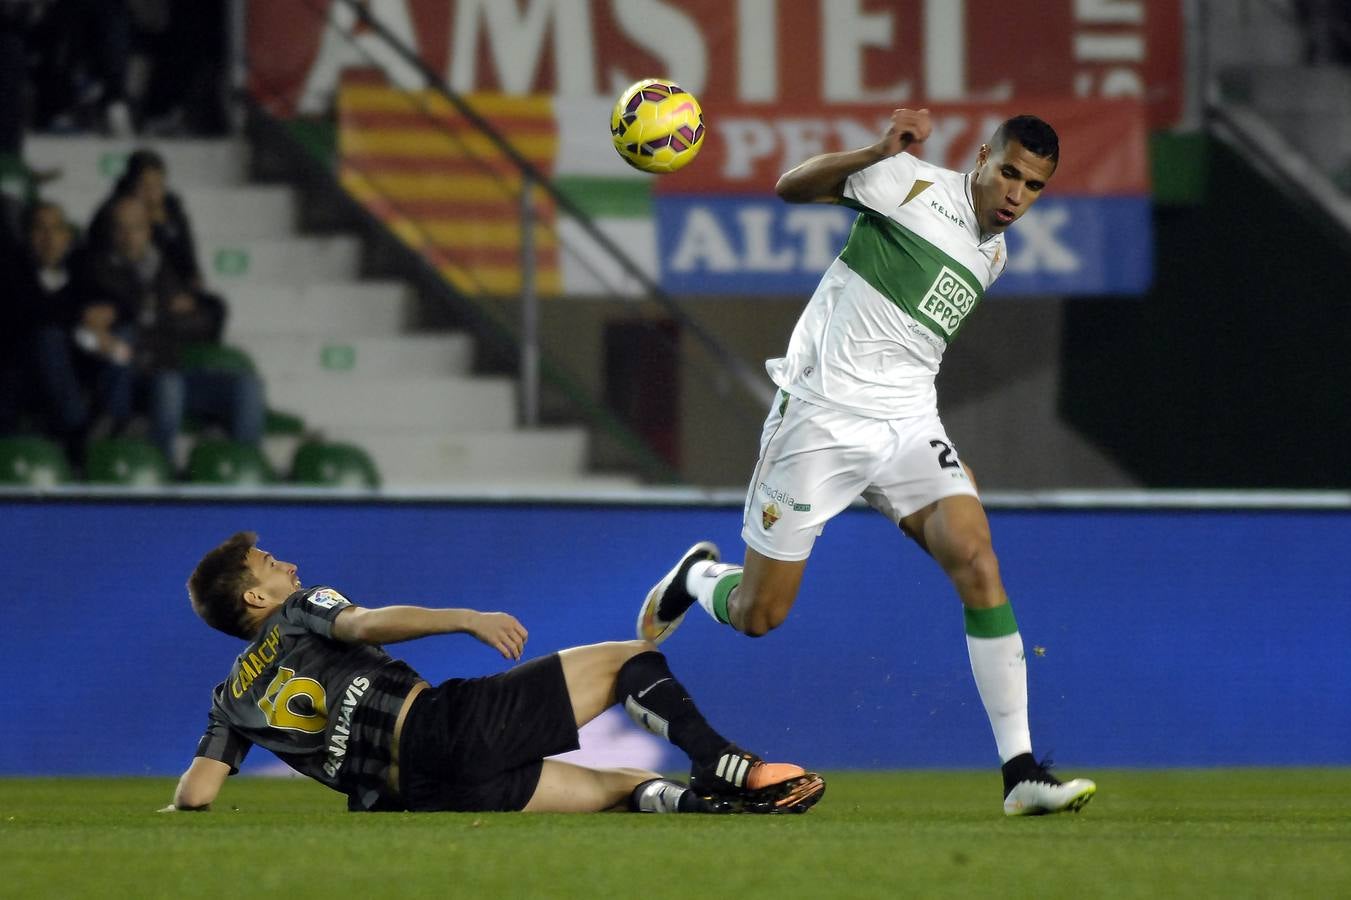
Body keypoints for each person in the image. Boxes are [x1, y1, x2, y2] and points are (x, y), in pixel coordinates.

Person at [636, 110, 1096, 817]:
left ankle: (1020, 773)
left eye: (1033, 186)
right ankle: (698, 577)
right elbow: (791, 188)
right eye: (1007, 172)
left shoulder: (993, 254)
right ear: (981, 157)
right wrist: (875, 151)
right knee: (760, 615)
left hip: (908, 423)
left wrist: (943, 472)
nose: (1014, 194)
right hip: (819, 419)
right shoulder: (906, 183)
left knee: (976, 559)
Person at [163, 532, 827, 815]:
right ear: (254, 599)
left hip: (418, 797)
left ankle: (716, 806)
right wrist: (464, 617)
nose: (287, 567)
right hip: (440, 728)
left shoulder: (229, 700)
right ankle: (723, 764)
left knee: (625, 789)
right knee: (629, 660)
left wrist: (171, 811)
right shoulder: (301, 611)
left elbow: (196, 795)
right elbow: (361, 626)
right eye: (269, 564)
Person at [81, 193, 263, 468]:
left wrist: (163, 314)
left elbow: (203, 320)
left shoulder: (162, 267)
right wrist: (162, 312)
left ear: (148, 229)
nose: (129, 235)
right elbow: (115, 321)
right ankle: (159, 469)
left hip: (171, 367)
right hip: (131, 379)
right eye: (120, 227)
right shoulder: (95, 269)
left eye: (137, 226)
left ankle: (244, 469)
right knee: (169, 384)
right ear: (109, 231)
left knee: (246, 388)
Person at [2, 200, 133, 462]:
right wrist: (82, 325)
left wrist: (108, 315)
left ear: (67, 237)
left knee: (124, 336)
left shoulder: (79, 269)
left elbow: (122, 303)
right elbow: (32, 318)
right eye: (39, 229)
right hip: (26, 375)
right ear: (27, 236)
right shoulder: (11, 272)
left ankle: (112, 422)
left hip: (74, 373)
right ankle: (80, 431)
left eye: (55, 230)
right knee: (48, 339)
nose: (48, 238)